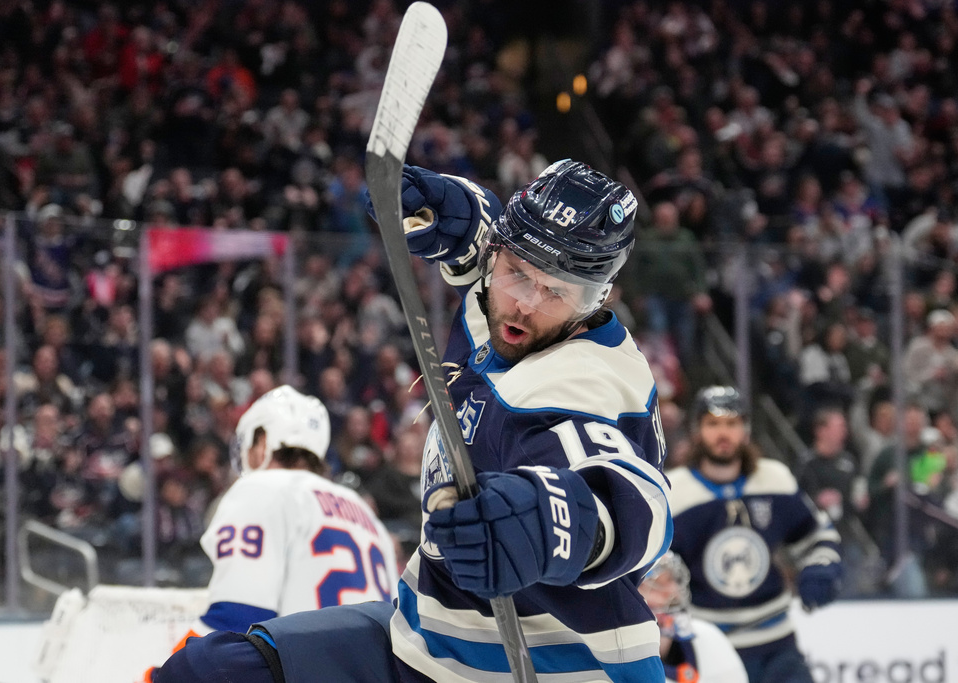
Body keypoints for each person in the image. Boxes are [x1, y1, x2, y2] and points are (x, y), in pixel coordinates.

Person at [154, 160, 672, 682]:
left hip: (555, 669)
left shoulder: (589, 383)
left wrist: (556, 520)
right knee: (210, 673)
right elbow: (487, 245)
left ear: (596, 299)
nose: (523, 306)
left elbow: (641, 505)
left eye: (556, 292)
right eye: (516, 273)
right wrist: (461, 215)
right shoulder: (501, 304)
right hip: (426, 637)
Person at [149, 385, 398, 680]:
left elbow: (235, 618)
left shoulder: (261, 490)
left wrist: (166, 670)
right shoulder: (365, 513)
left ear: (263, 441)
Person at [667, 386, 843, 683]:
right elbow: (653, 571)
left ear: (745, 430)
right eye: (713, 424)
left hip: (777, 645)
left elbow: (817, 538)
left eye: (732, 423)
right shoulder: (673, 493)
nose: (723, 433)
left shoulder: (774, 479)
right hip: (709, 646)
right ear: (697, 431)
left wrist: (821, 567)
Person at [638, 551, 748, 683]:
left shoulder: (708, 636)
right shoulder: (616, 659)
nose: (673, 589)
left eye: (673, 579)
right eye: (658, 584)